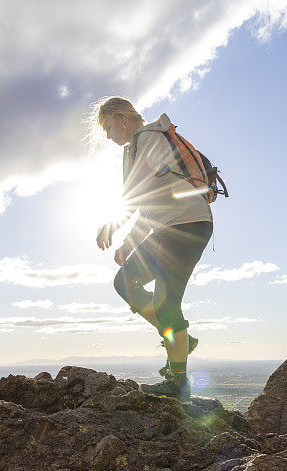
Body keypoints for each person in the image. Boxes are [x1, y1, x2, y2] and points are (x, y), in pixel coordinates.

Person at [91, 96, 213, 402]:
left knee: (166, 302)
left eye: (108, 127)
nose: (108, 135)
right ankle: (181, 338)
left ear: (122, 116)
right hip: (166, 227)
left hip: (188, 224)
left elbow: (146, 190)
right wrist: (127, 243)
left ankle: (178, 382)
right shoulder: (131, 150)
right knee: (124, 282)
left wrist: (115, 226)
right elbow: (146, 201)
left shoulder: (150, 138)